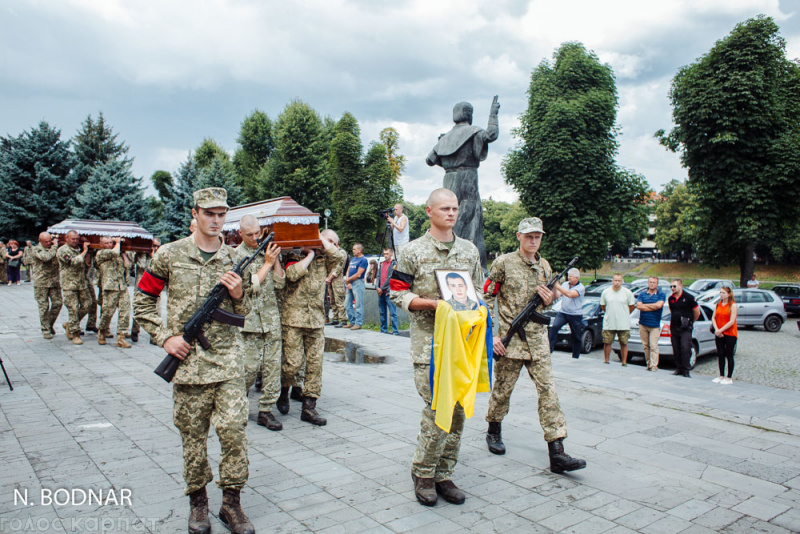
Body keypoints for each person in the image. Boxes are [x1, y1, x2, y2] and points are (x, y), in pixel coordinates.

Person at [133, 188, 255, 534]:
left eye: (221, 215)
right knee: (193, 437)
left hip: (228, 363)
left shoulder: (235, 258)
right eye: (209, 214)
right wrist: (165, 337)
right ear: (195, 213)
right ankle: (198, 503)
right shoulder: (170, 254)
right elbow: (142, 300)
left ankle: (231, 503)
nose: (216, 221)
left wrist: (238, 293)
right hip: (188, 365)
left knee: (234, 432)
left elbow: (246, 310)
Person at [390, 188, 483, 507]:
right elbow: (396, 292)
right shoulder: (412, 251)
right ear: (429, 211)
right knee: (436, 410)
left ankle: (444, 473)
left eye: (455, 208)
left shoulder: (469, 251)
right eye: (444, 208)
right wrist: (430, 303)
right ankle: (423, 473)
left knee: (458, 412)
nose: (451, 213)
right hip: (429, 347)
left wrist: (478, 310)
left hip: (461, 347)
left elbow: (478, 291)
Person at [483, 217, 586, 475]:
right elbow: (486, 297)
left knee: (548, 391)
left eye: (537, 236)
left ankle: (557, 450)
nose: (533, 240)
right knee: (503, 390)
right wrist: (492, 336)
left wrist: (549, 299)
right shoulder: (503, 263)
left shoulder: (545, 266)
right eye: (528, 236)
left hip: (538, 341)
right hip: (510, 340)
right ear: (519, 236)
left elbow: (549, 303)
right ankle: (493, 428)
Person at [276, 230, 343, 427]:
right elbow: (291, 275)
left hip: (316, 320)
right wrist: (311, 253)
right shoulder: (294, 254)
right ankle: (284, 390)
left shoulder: (328, 261)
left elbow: (339, 257)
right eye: (327, 240)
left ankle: (309, 407)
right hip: (293, 319)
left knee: (315, 365)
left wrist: (321, 241)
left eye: (333, 242)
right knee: (292, 364)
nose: (330, 245)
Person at [426, 98, 500, 273]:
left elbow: (430, 160)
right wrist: (493, 113)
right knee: (471, 221)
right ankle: (476, 267)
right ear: (469, 115)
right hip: (468, 179)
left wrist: (449, 159)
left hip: (448, 181)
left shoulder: (445, 138)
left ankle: (447, 258)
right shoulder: (473, 131)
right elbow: (491, 134)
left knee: (448, 218)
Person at [236, 214, 285, 432]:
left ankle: (266, 410)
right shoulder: (236, 255)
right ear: (240, 234)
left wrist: (275, 260)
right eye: (250, 234)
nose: (256, 237)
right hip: (250, 322)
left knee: (273, 368)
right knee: (248, 368)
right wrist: (267, 263)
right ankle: (239, 403)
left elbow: (280, 282)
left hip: (271, 319)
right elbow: (249, 286)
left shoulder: (267, 251)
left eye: (258, 232)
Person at [95, 237, 132, 348]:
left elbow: (128, 265)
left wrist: (124, 253)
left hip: (121, 286)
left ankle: (121, 337)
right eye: (106, 243)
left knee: (125, 311)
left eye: (111, 242)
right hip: (110, 287)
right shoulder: (101, 253)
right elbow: (114, 252)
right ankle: (102, 331)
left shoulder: (117, 253)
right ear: (101, 244)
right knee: (108, 312)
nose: (110, 245)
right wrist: (118, 243)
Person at [57, 231, 91, 345]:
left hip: (81, 284)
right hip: (69, 285)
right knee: (73, 309)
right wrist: (85, 251)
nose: (75, 241)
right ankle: (75, 333)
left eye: (77, 239)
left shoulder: (78, 249)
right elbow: (73, 262)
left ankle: (70, 324)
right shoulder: (62, 250)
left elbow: (86, 264)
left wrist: (87, 252)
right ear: (66, 238)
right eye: (73, 239)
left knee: (87, 305)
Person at [30, 232, 62, 339]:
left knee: (58, 303)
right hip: (41, 283)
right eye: (46, 242)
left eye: (50, 241)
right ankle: (45, 329)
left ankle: (49, 324)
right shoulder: (36, 249)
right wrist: (55, 246)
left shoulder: (54, 249)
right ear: (39, 241)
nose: (49, 243)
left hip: (54, 282)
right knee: (43, 307)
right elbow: (46, 257)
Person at [549, 268, 585, 359]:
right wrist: (554, 287)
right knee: (554, 327)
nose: (568, 278)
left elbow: (570, 294)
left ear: (576, 278)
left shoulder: (580, 287)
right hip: (563, 312)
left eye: (571, 276)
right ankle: (549, 349)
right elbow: (557, 296)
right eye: (568, 276)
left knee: (576, 336)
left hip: (575, 314)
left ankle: (575, 355)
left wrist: (557, 286)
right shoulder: (565, 284)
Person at [130, 238, 161, 344]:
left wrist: (154, 256)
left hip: (155, 287)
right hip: (142, 286)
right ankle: (135, 330)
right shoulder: (141, 255)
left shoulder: (159, 256)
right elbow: (143, 266)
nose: (155, 248)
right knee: (140, 310)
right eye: (154, 246)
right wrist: (151, 256)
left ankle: (154, 336)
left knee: (157, 312)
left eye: (158, 246)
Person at [600, 274, 635, 366]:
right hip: (609, 321)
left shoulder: (627, 293)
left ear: (622, 281)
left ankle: (624, 362)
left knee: (623, 342)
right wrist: (609, 312)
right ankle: (606, 360)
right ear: (612, 281)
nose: (617, 283)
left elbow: (631, 306)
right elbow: (603, 306)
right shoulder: (606, 292)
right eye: (615, 280)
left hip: (623, 322)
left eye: (619, 281)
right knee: (607, 342)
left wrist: (624, 313)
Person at [668, 279, 700, 378]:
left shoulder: (689, 297)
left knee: (685, 348)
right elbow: (671, 310)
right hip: (674, 327)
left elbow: (697, 312)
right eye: (671, 286)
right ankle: (679, 368)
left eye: (674, 286)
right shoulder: (671, 299)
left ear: (680, 286)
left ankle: (686, 370)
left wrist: (690, 321)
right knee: (676, 348)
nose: (672, 288)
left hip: (685, 328)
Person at [636, 276, 666, 371]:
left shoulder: (661, 294)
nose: (652, 284)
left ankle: (654, 365)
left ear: (657, 284)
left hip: (654, 325)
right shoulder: (642, 294)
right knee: (645, 345)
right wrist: (653, 306)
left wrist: (645, 305)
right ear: (648, 283)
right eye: (650, 282)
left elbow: (659, 306)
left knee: (653, 345)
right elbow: (638, 306)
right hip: (643, 323)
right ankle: (648, 363)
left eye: (654, 282)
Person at [711, 286, 738, 385]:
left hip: (730, 333)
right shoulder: (718, 305)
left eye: (724, 293)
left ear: (729, 294)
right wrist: (717, 329)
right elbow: (713, 317)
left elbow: (732, 321)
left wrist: (721, 330)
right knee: (720, 354)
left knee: (729, 354)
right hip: (719, 333)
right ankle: (721, 375)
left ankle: (729, 377)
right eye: (720, 293)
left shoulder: (732, 305)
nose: (721, 295)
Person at [323, 230, 348, 327]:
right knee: (332, 300)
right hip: (330, 278)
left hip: (337, 278)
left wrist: (330, 277)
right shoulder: (330, 253)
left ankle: (343, 319)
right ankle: (335, 318)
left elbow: (339, 267)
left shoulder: (341, 252)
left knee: (339, 299)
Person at [343, 243, 368, 330]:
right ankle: (352, 322)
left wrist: (348, 279)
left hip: (358, 283)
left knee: (358, 304)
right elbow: (348, 270)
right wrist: (348, 281)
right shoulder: (353, 259)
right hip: (350, 282)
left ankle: (358, 323)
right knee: (347, 304)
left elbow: (358, 274)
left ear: (359, 250)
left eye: (354, 249)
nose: (353, 251)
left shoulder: (363, 260)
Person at [376, 248, 399, 335]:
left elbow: (390, 277)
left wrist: (381, 288)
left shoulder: (394, 264)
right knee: (382, 312)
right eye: (384, 254)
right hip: (380, 291)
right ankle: (383, 330)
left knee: (393, 312)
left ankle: (395, 331)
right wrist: (377, 287)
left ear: (391, 254)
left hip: (388, 291)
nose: (385, 255)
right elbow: (378, 276)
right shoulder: (382, 264)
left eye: (387, 253)